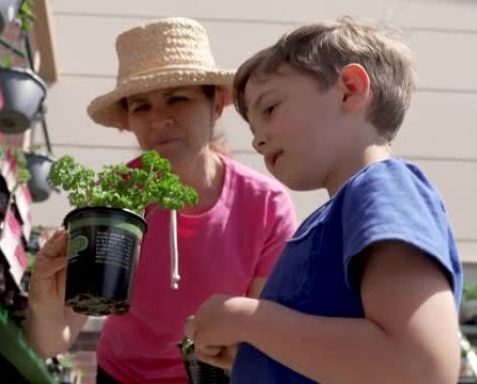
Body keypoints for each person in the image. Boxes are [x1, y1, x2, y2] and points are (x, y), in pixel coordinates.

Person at [184, 16, 464, 383]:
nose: (258, 141)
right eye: (253, 129)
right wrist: (257, 349)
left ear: (349, 89)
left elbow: (417, 367)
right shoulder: (333, 217)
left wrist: (247, 320)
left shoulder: (384, 187)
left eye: (270, 109)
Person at [25, 17, 297, 383]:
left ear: (216, 104)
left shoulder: (266, 205)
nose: (158, 119)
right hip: (121, 375)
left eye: (177, 98)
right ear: (127, 121)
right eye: (141, 107)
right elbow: (53, 341)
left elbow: (261, 329)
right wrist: (43, 300)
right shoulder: (115, 198)